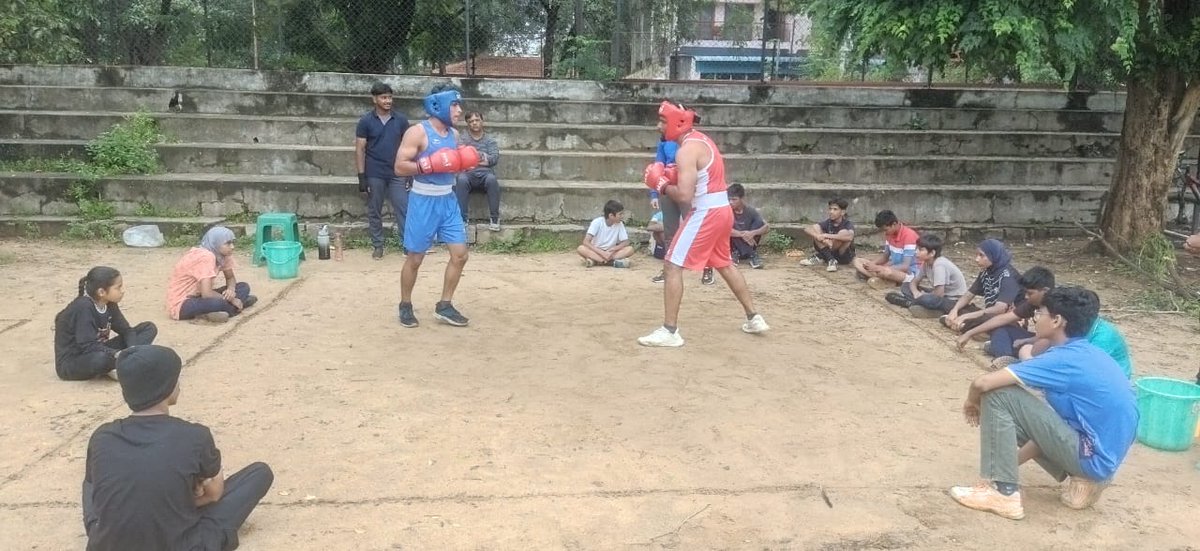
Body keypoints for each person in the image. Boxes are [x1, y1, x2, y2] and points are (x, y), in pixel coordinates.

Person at [950, 287, 1138, 520]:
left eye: (1041, 313)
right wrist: (1002, 468)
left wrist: (971, 402)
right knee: (1016, 405)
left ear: (1057, 320)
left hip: (1092, 456)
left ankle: (1003, 493)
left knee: (998, 394)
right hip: (1101, 455)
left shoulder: (1064, 359)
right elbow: (1052, 428)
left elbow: (983, 383)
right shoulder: (1087, 352)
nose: (1035, 318)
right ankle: (1004, 484)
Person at [83, 345, 274, 550]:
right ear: (167, 386)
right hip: (180, 545)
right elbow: (214, 494)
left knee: (90, 482)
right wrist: (182, 497)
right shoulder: (194, 436)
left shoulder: (103, 436)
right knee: (260, 473)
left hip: (107, 545)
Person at [638, 101, 769, 347]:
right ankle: (754, 317)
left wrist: (661, 184)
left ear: (678, 122)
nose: (658, 126)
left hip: (706, 212)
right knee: (724, 263)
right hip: (721, 210)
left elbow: (685, 196)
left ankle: (670, 331)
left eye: (663, 121)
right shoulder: (702, 140)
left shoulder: (686, 151)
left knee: (672, 263)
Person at [392, 84, 486, 328]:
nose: (459, 110)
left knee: (460, 255)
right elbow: (400, 167)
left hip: (448, 199)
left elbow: (450, 165)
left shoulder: (454, 136)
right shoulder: (417, 133)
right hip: (423, 200)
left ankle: (445, 304)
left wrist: (465, 164)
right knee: (415, 258)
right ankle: (405, 304)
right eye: (454, 105)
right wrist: (426, 166)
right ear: (439, 105)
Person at [54, 266, 157, 381]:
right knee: (101, 359)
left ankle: (124, 363)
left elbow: (126, 330)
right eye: (118, 288)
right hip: (73, 361)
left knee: (148, 328)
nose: (122, 291)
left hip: (98, 349)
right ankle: (124, 364)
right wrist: (116, 353)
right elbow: (88, 346)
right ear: (101, 292)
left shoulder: (109, 303)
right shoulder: (84, 307)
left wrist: (132, 348)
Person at [648, 137, 715, 285]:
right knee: (670, 232)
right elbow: (658, 167)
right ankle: (668, 270)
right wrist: (654, 193)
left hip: (688, 188)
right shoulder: (664, 143)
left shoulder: (692, 142)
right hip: (668, 187)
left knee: (697, 231)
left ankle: (707, 268)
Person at [355, 82, 410, 260]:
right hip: (375, 172)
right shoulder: (365, 121)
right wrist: (361, 177)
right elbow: (360, 149)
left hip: (397, 172)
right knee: (374, 209)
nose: (388, 101)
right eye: (383, 97)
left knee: (403, 208)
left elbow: (408, 146)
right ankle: (378, 245)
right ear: (374, 99)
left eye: (390, 97)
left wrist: (409, 171)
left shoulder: (401, 120)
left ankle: (407, 245)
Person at [166, 226, 257, 324]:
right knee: (217, 302)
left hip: (199, 295)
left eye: (232, 242)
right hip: (182, 303)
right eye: (228, 243)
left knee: (243, 286)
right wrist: (233, 299)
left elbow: (230, 278)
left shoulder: (223, 254)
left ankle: (220, 311)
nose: (232, 247)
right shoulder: (206, 256)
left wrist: (231, 290)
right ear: (216, 243)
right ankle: (237, 305)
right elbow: (207, 294)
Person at [942, 239, 1022, 337]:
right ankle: (966, 325)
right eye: (977, 255)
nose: (977, 259)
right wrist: (954, 310)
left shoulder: (1007, 276)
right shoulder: (986, 271)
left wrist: (966, 316)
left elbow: (999, 309)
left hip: (1006, 319)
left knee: (987, 319)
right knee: (951, 304)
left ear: (993, 255)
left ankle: (968, 326)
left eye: (981, 255)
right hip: (988, 314)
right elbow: (968, 295)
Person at [884, 233, 968, 318]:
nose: (916, 252)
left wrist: (923, 296)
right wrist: (916, 293)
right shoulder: (926, 263)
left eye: (920, 250)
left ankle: (911, 303)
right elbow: (914, 281)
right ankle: (918, 304)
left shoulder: (939, 265)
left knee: (928, 299)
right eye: (917, 249)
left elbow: (939, 294)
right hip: (936, 294)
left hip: (952, 300)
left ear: (932, 253)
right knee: (905, 286)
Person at [454, 111, 502, 231]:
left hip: (485, 174)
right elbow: (460, 158)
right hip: (467, 174)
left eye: (477, 120)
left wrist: (472, 157)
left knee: (492, 180)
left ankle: (495, 218)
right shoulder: (463, 139)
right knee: (461, 179)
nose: (474, 123)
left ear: (482, 121)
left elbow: (494, 158)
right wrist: (483, 157)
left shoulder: (489, 140)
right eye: (471, 121)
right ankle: (462, 219)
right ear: (467, 124)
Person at [852, 210, 919, 289]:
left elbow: (905, 266)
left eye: (885, 229)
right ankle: (886, 280)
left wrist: (878, 268)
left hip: (910, 273)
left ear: (894, 224)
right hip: (893, 267)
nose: (884, 232)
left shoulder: (909, 236)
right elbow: (885, 257)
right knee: (858, 261)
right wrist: (871, 264)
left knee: (887, 272)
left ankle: (885, 279)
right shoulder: (889, 234)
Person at [800, 197, 856, 272]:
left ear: (842, 212)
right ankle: (831, 259)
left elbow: (849, 237)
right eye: (830, 209)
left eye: (835, 209)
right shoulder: (828, 222)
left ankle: (821, 256)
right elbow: (807, 228)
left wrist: (826, 235)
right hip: (830, 251)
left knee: (843, 234)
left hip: (843, 255)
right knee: (816, 228)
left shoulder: (847, 224)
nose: (831, 212)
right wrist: (818, 236)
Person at [577, 199, 635, 268]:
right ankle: (612, 262)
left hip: (611, 253)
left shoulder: (620, 224)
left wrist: (614, 249)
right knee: (581, 249)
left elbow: (625, 242)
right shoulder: (597, 222)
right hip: (597, 251)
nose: (622, 216)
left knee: (630, 249)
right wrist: (602, 253)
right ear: (611, 215)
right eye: (620, 214)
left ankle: (596, 261)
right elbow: (586, 242)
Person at [727, 183, 768, 269]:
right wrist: (743, 234)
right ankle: (749, 253)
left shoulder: (750, 211)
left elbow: (766, 226)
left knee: (759, 223)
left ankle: (745, 253)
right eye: (729, 199)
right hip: (733, 244)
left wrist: (752, 233)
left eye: (734, 199)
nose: (731, 202)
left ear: (742, 199)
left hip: (748, 241)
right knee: (726, 228)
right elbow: (723, 230)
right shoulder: (726, 210)